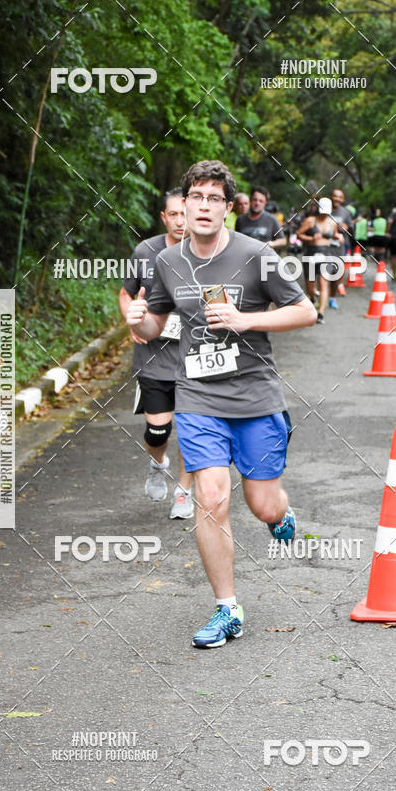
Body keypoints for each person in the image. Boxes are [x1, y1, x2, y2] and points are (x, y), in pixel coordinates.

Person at [126, 159, 316, 648]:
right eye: (197, 197)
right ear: (182, 208)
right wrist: (138, 319)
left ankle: (280, 516)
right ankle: (227, 609)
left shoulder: (257, 255)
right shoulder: (167, 263)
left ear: (228, 209)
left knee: (262, 503)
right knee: (209, 498)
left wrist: (244, 319)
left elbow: (305, 311)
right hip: (198, 398)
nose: (205, 206)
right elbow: (154, 327)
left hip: (255, 397)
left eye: (215, 199)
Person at [119, 188, 194, 519]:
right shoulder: (145, 251)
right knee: (158, 432)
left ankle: (184, 493)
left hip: (196, 359)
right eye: (173, 214)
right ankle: (157, 462)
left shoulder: (208, 253)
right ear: (164, 217)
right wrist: (131, 320)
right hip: (154, 359)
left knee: (193, 432)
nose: (181, 220)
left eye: (185, 213)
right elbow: (126, 293)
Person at [299, 197, 344, 323]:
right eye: (323, 211)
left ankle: (321, 313)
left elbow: (334, 234)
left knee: (324, 284)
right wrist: (311, 238)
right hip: (311, 252)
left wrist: (339, 237)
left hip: (326, 253)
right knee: (310, 287)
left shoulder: (332, 223)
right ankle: (313, 297)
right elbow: (299, 234)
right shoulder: (310, 221)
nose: (325, 214)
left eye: (327, 212)